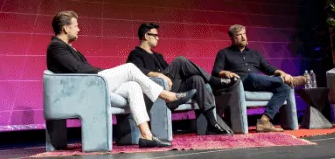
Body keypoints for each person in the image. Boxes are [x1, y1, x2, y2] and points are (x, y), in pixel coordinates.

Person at [47, 12, 194, 148]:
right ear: (66, 28)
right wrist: (104, 72)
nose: (78, 29)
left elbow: (82, 68)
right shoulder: (56, 47)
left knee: (132, 86)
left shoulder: (69, 48)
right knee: (129, 68)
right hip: (82, 88)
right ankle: (166, 96)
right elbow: (78, 69)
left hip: (90, 84)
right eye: (76, 26)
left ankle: (146, 135)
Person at [126, 22, 232, 134]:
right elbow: (134, 72)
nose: (158, 38)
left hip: (170, 89)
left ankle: (212, 123)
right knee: (180, 60)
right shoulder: (135, 54)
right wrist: (157, 74)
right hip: (155, 91)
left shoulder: (158, 56)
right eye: (155, 35)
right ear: (146, 36)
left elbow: (171, 73)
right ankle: (211, 80)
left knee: (197, 79)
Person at [212, 24, 307, 133]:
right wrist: (225, 72)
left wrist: (283, 73)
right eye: (239, 35)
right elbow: (216, 71)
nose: (243, 37)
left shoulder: (255, 53)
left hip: (258, 83)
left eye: (244, 34)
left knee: (285, 87)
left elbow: (269, 69)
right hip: (240, 84)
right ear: (232, 38)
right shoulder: (224, 53)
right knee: (252, 76)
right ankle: (285, 80)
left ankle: (264, 121)